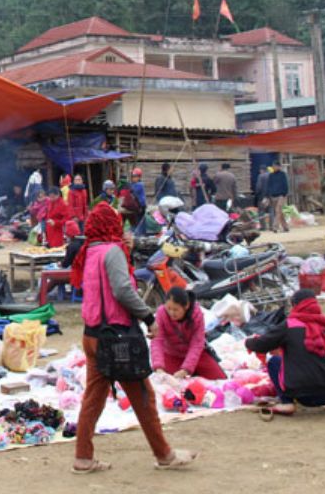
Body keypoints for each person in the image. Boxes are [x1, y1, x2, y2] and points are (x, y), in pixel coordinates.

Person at [70, 198, 196, 473]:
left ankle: (83, 457)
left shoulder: (89, 251)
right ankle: (164, 455)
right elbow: (123, 291)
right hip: (117, 338)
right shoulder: (111, 251)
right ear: (111, 226)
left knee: (93, 398)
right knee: (142, 395)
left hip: (93, 334)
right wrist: (148, 317)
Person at [244, 290, 325, 416]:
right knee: (323, 360)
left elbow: (261, 345)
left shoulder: (289, 325)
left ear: (295, 305)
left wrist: (248, 342)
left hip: (303, 395)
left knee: (275, 361)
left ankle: (287, 402)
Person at [151, 287, 225, 380]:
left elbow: (197, 344)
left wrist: (186, 369)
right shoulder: (161, 313)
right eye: (168, 308)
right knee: (169, 384)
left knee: (220, 379)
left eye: (175, 309)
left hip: (197, 355)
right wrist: (158, 367)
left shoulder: (196, 315)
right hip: (172, 354)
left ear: (186, 306)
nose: (171, 313)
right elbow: (157, 340)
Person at [265, 161, 289, 233]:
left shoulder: (283, 174)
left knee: (277, 210)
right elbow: (269, 186)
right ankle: (285, 227)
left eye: (275, 166)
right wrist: (268, 195)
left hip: (281, 195)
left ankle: (275, 227)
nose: (274, 167)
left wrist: (284, 194)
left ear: (279, 166)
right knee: (279, 212)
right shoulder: (271, 175)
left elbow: (285, 185)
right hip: (273, 196)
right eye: (273, 166)